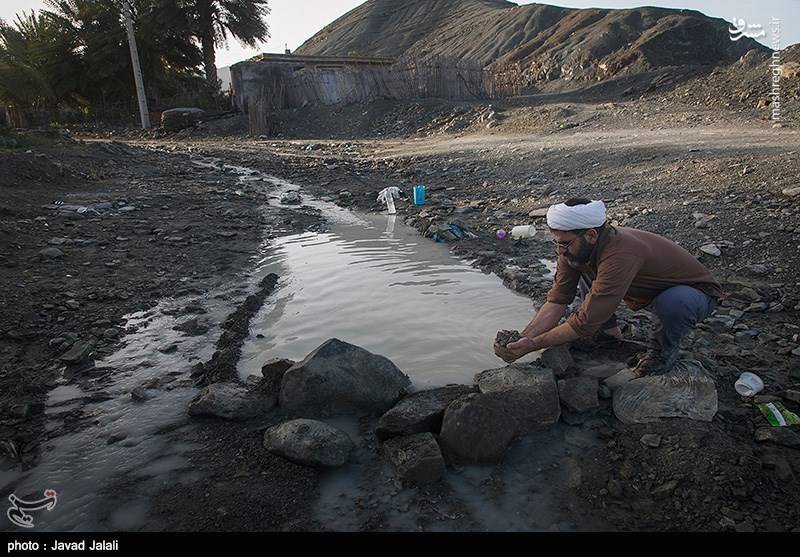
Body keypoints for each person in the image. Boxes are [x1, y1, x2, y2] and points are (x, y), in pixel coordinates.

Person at [494, 198, 723, 375]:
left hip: (696, 295)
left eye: (564, 243)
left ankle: (662, 354)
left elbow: (584, 321)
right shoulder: (575, 247)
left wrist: (534, 345)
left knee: (674, 302)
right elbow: (558, 300)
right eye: (557, 243)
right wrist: (522, 339)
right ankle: (607, 333)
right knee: (581, 266)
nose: (560, 251)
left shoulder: (621, 252)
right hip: (640, 289)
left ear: (591, 235)